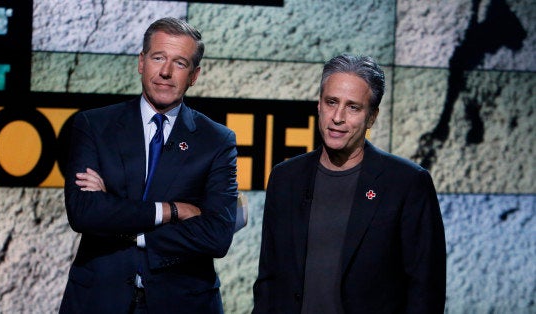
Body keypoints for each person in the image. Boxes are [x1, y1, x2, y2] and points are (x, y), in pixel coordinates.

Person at [59, 17, 239, 314]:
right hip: (100, 299)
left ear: (194, 75)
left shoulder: (217, 141)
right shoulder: (93, 125)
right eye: (158, 58)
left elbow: (217, 235)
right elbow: (84, 212)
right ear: (142, 62)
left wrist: (119, 217)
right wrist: (172, 211)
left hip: (182, 302)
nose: (166, 72)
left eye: (180, 63)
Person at [252, 54, 446, 314]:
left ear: (372, 117)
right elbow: (269, 277)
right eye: (331, 102)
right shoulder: (285, 178)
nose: (338, 117)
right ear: (319, 105)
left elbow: (426, 289)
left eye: (353, 107)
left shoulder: (407, 183)